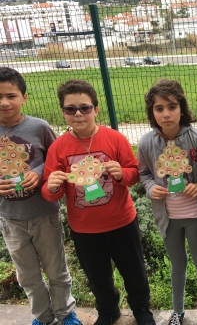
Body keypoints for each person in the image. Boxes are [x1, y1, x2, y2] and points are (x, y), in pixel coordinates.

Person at [40, 79, 155, 325]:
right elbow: (52, 193)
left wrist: (121, 174)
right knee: (97, 276)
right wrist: (51, 186)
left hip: (122, 221)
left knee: (134, 271)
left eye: (85, 107)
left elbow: (134, 173)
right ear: (63, 112)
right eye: (70, 109)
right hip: (84, 228)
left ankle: (141, 309)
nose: (78, 114)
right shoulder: (58, 148)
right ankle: (107, 310)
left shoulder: (114, 139)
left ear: (96, 109)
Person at [0, 67, 82, 325]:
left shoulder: (39, 127)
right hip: (10, 218)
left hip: (45, 214)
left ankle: (65, 313)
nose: (4, 102)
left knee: (57, 270)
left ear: (24, 97)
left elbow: (56, 159)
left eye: (11, 95)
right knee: (28, 276)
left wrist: (37, 171)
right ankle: (43, 317)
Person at [137, 79, 197, 325]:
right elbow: (144, 174)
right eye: (159, 108)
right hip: (168, 218)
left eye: (171, 106)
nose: (166, 113)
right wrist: (151, 188)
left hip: (196, 215)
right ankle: (177, 311)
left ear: (181, 108)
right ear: (152, 112)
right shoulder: (146, 143)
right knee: (177, 265)